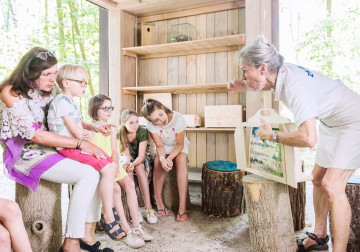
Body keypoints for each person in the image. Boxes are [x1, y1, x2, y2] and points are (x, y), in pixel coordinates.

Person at [228, 36, 360, 252]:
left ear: (262, 68)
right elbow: (265, 82)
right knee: (317, 178)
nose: (242, 75)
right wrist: (244, 86)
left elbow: (308, 138)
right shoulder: (278, 73)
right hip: (332, 122)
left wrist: (273, 137)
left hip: (354, 122)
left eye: (244, 70)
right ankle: (319, 237)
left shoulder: (296, 85)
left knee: (332, 185)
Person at [0, 47, 114, 252]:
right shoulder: (10, 91)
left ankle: (86, 236)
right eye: (47, 74)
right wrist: (80, 143)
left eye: (55, 72)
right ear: (29, 72)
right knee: (87, 174)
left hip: (54, 146)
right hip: (27, 154)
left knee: (97, 168)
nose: (53, 78)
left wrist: (94, 127)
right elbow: (34, 135)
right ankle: (72, 242)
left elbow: (68, 118)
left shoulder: (49, 90)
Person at [47, 64, 125, 244]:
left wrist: (94, 129)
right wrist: (88, 135)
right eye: (81, 82)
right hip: (68, 147)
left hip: (77, 144)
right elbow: (76, 131)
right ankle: (108, 216)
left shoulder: (69, 102)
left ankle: (108, 210)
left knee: (111, 166)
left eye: (86, 82)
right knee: (106, 168)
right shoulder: (60, 101)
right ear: (66, 82)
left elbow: (77, 123)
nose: (84, 85)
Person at [88, 94, 153, 248]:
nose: (109, 111)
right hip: (100, 166)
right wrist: (110, 169)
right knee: (116, 189)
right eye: (105, 108)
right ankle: (126, 229)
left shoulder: (112, 127)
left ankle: (137, 226)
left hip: (112, 163)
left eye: (111, 107)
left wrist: (116, 166)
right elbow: (93, 153)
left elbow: (114, 152)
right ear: (95, 109)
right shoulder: (90, 129)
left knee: (130, 185)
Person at [141, 99, 190, 222]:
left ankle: (182, 207)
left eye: (161, 115)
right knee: (157, 162)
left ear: (162, 107)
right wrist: (163, 159)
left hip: (178, 145)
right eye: (155, 120)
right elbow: (159, 146)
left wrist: (169, 159)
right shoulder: (151, 125)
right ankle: (159, 202)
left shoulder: (178, 118)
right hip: (163, 147)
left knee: (180, 160)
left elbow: (179, 144)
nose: (161, 120)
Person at [118, 108, 158, 225]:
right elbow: (126, 154)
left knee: (139, 167)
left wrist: (133, 163)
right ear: (123, 123)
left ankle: (148, 207)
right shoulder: (120, 133)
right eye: (131, 122)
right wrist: (128, 164)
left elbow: (141, 156)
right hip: (127, 157)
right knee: (128, 170)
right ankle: (135, 209)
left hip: (142, 156)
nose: (135, 125)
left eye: (137, 121)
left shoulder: (142, 132)